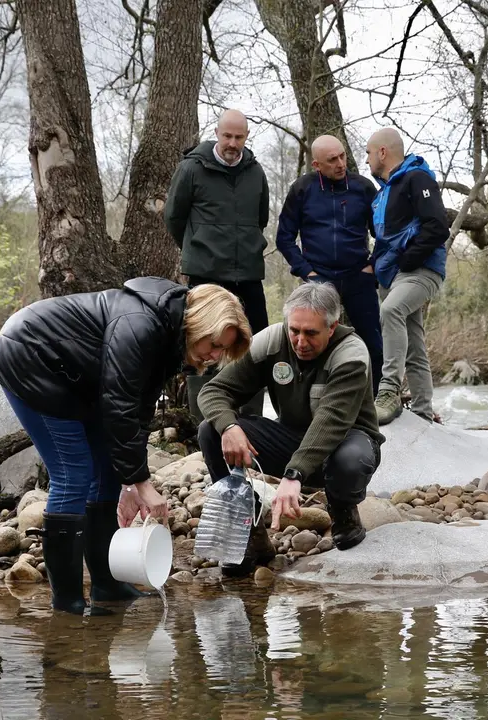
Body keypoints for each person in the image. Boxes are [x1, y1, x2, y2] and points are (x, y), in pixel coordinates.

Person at [0, 278, 251, 615]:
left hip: (75, 374)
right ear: (200, 322)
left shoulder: (170, 333)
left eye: (220, 351)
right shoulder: (140, 325)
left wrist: (129, 480)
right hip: (31, 357)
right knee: (73, 473)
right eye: (213, 344)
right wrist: (142, 483)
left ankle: (107, 586)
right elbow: (120, 405)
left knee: (109, 474)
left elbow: (138, 411)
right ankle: (66, 605)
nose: (213, 356)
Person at [197, 282, 384, 575]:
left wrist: (293, 475)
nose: (300, 341)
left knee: (350, 459)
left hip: (345, 444)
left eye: (311, 333)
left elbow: (330, 421)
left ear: (332, 327)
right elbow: (213, 391)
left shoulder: (352, 353)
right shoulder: (271, 341)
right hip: (291, 439)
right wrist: (230, 426)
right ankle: (246, 529)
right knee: (211, 430)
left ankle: (344, 513)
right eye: (294, 330)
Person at [165, 108, 270, 420]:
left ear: (246, 137)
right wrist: (198, 247)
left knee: (255, 342)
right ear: (217, 133)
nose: (232, 143)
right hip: (206, 273)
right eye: (227, 136)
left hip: (248, 271)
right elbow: (174, 217)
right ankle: (204, 425)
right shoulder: (192, 168)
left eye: (239, 137)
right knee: (202, 343)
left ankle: (249, 420)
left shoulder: (256, 172)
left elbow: (260, 218)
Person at [275, 134, 382, 395]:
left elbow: (385, 232)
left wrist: (373, 265)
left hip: (358, 276)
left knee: (373, 343)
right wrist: (307, 272)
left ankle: (377, 398)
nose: (341, 163)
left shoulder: (364, 188)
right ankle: (310, 399)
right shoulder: (302, 189)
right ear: (317, 165)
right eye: (332, 160)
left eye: (342, 156)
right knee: (311, 340)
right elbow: (284, 238)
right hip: (319, 279)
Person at [365, 128, 450, 425]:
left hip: (422, 271)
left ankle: (388, 391)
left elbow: (438, 226)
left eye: (368, 152)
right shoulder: (384, 193)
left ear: (383, 153)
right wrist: (374, 264)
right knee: (414, 342)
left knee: (391, 311)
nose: (366, 160)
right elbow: (387, 239)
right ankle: (424, 413)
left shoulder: (418, 178)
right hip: (394, 276)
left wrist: (407, 259)